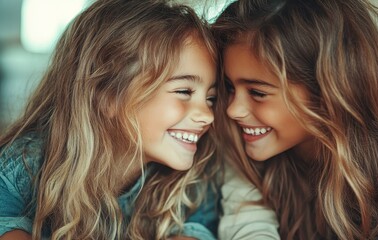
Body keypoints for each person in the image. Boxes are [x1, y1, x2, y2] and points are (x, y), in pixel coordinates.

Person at [0, 0, 221, 239]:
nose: (207, 115)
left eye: (211, 98)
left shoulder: (192, 182)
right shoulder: (24, 167)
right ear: (108, 96)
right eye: (184, 92)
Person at [213, 0, 378, 239]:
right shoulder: (238, 162)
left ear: (328, 90)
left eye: (257, 93)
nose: (233, 110)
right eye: (229, 87)